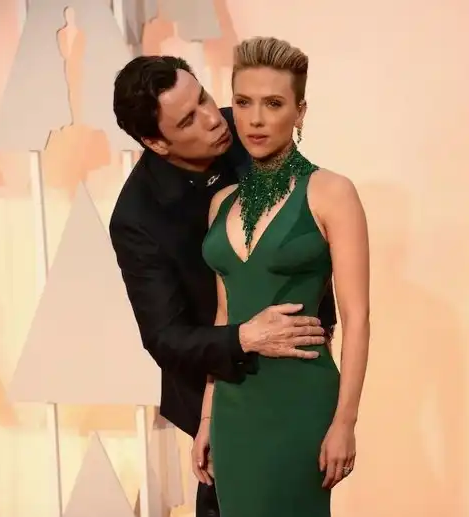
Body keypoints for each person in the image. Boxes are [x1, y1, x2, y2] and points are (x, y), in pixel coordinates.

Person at [109, 55, 338, 517]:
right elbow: (165, 336)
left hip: (298, 369)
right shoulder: (137, 218)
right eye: (188, 120)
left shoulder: (247, 125)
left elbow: (307, 220)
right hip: (217, 385)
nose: (214, 118)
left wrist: (321, 322)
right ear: (155, 142)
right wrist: (246, 338)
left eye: (204, 98)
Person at [194, 37, 370, 517]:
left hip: (301, 401)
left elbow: (357, 318)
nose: (255, 119)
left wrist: (345, 422)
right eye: (243, 102)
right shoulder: (221, 202)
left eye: (273, 104)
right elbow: (225, 315)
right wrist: (207, 416)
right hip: (233, 408)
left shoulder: (332, 192)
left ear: (299, 112)